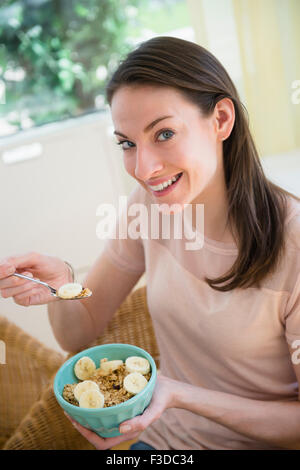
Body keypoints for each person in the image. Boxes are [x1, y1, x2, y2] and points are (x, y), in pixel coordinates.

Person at [0, 36, 300, 450]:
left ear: (221, 121)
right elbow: (79, 332)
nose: (142, 168)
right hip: (156, 444)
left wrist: (180, 395)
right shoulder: (149, 207)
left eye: (163, 134)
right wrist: (62, 285)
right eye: (127, 143)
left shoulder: (294, 245)